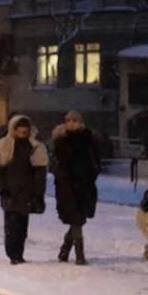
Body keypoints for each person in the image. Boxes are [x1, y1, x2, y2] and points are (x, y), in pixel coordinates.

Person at [0, 115, 48, 265]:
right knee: (11, 225)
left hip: (27, 192)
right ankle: (13, 254)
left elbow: (40, 173)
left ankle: (18, 253)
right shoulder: (3, 146)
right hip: (10, 191)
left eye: (25, 127)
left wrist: (38, 193)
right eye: (20, 127)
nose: (23, 130)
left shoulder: (35, 147)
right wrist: (1, 189)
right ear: (13, 128)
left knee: (22, 226)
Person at [52, 111, 100, 265]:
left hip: (84, 185)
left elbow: (95, 161)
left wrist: (91, 175)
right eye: (68, 120)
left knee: (78, 218)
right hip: (67, 185)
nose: (71, 123)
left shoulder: (88, 140)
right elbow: (58, 163)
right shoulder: (61, 141)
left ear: (81, 122)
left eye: (74, 120)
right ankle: (80, 255)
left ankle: (64, 251)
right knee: (76, 218)